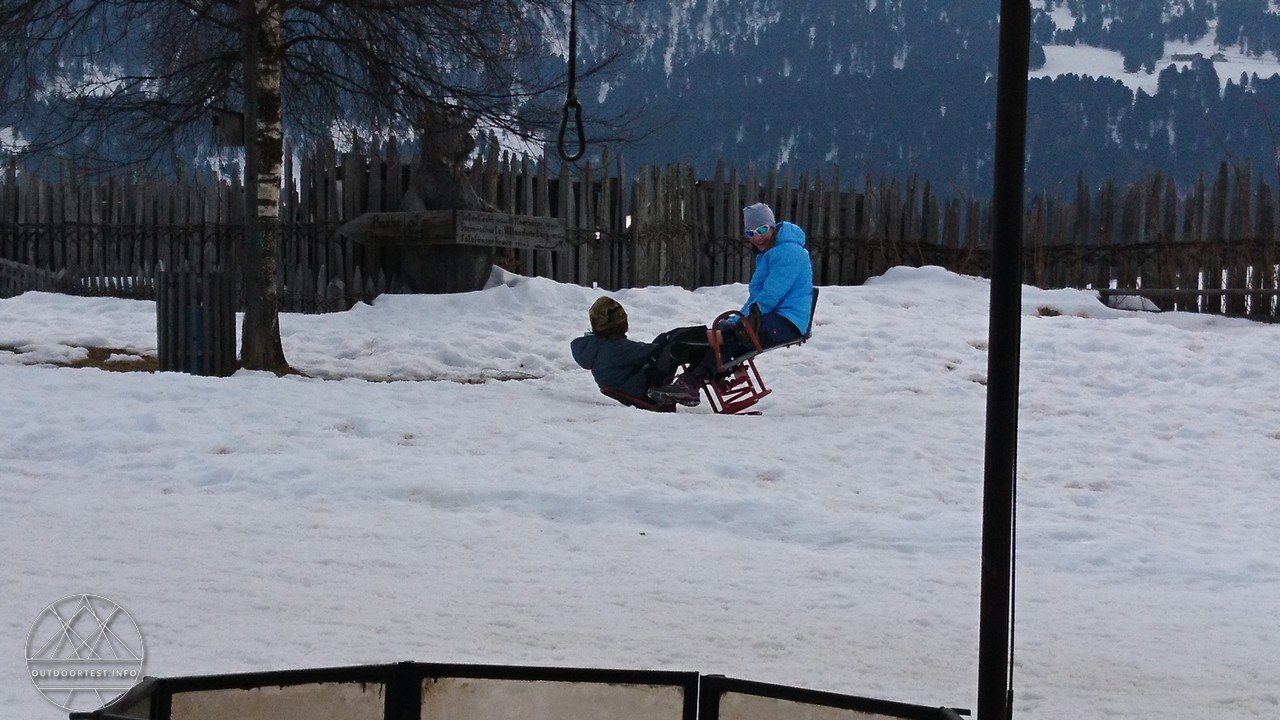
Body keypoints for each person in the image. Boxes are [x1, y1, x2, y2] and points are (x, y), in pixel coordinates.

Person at [647, 202, 813, 406]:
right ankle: (689, 382)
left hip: (788, 321)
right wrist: (737, 319)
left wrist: (740, 322)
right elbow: (757, 298)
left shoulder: (788, 252)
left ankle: (692, 382)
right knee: (724, 335)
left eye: (761, 230)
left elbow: (770, 296)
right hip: (773, 316)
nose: (757, 237)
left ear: (772, 226)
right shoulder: (769, 252)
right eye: (750, 233)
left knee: (736, 336)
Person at [570, 296, 708, 405]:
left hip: (635, 385)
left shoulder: (598, 345)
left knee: (665, 340)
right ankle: (711, 340)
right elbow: (651, 351)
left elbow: (643, 352)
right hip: (647, 391)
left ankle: (708, 339)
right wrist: (673, 341)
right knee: (672, 346)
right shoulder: (614, 347)